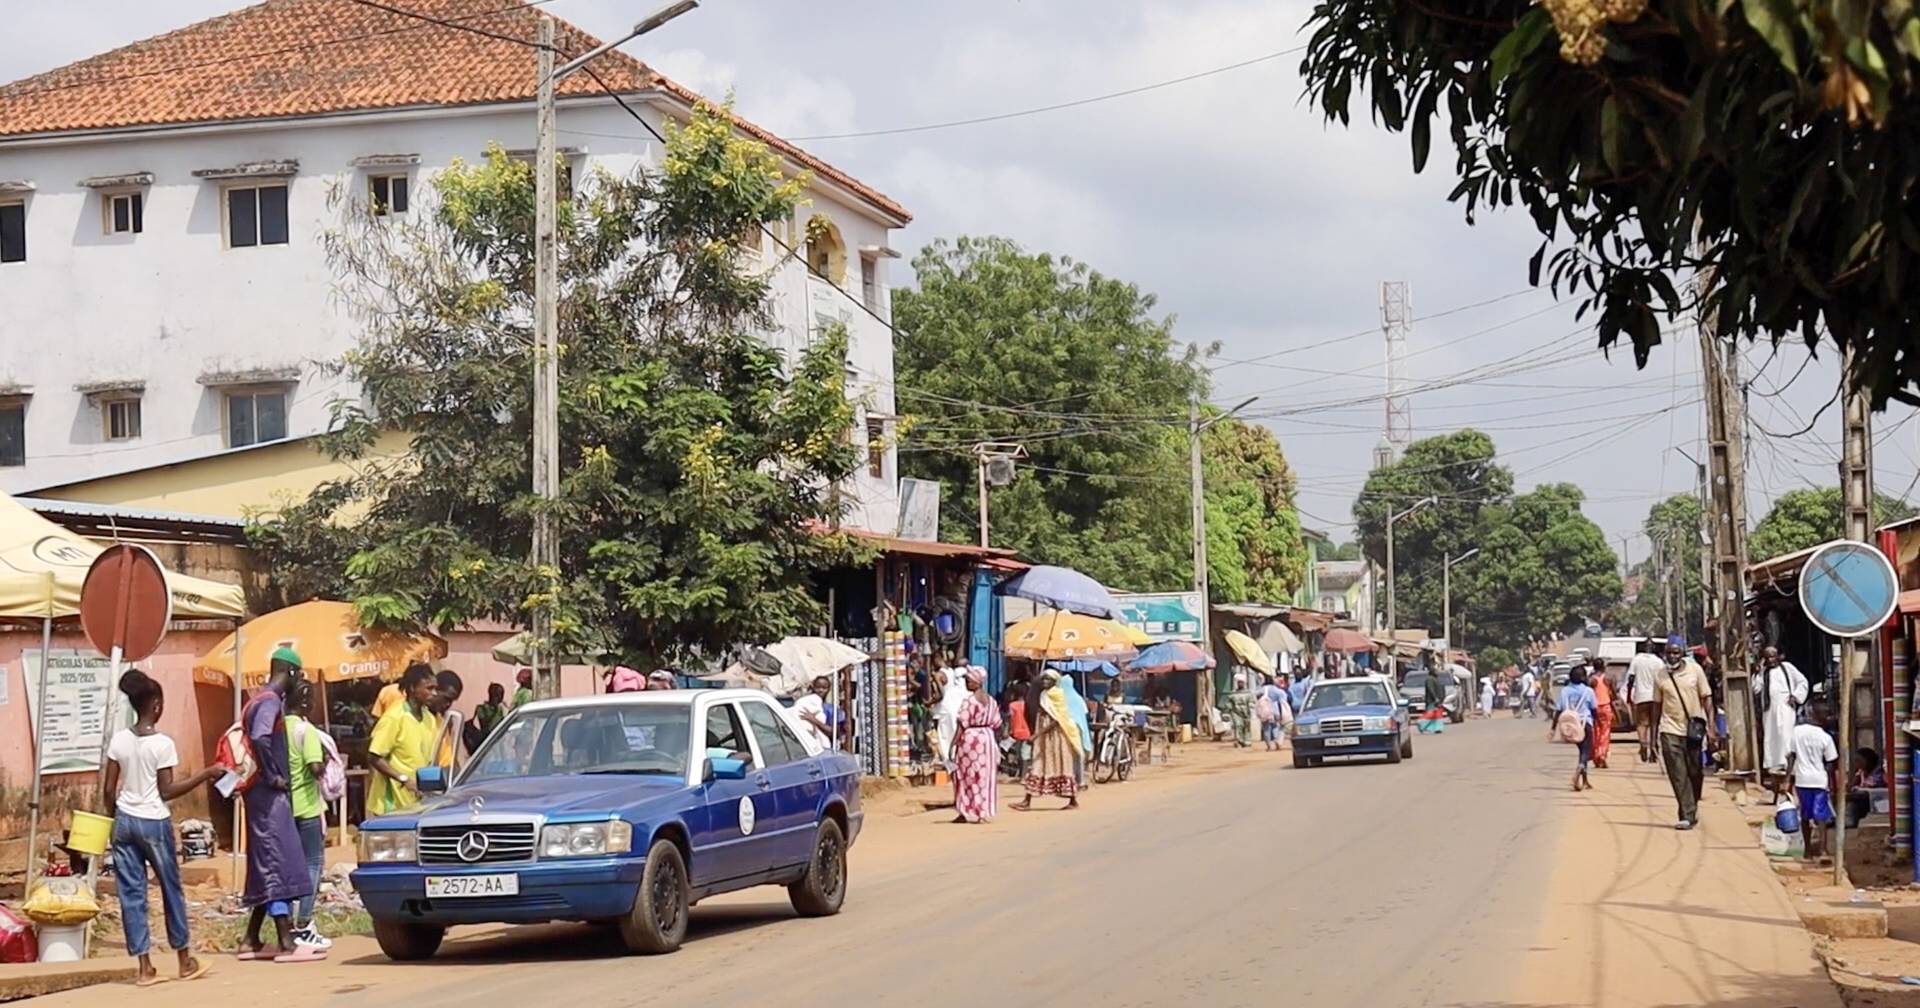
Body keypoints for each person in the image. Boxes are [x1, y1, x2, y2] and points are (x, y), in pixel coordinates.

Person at [105, 669, 220, 986]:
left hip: (124, 822)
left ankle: (144, 968)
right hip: (154, 822)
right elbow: (167, 791)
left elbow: (108, 790)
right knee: (171, 889)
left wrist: (117, 819)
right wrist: (206, 773)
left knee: (131, 895)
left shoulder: (119, 740)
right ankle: (184, 960)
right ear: (155, 705)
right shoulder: (163, 744)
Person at [239, 648, 319, 962]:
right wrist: (273, 775)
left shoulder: (257, 700)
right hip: (267, 796)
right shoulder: (270, 702)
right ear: (291, 672)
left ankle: (251, 938)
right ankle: (286, 941)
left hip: (260, 795)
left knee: (265, 862)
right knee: (277, 860)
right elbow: (260, 737)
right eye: (298, 674)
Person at [283, 678, 332, 951]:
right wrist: (325, 761)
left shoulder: (278, 729)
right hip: (309, 807)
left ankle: (289, 923)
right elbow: (314, 768)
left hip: (285, 808)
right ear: (304, 701)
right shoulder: (306, 730)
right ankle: (304, 923)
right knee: (313, 864)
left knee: (290, 866)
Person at [1656, 640, 1717, 830]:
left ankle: (1692, 805)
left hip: (1693, 730)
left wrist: (1712, 727)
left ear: (1682, 653)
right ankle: (1686, 814)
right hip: (1669, 729)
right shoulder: (1660, 675)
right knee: (1678, 774)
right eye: (1669, 653)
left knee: (1695, 771)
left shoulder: (1695, 670)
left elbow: (1706, 698)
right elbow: (1656, 706)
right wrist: (1649, 739)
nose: (1672, 657)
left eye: (1675, 653)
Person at [367, 663, 439, 816]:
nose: (434, 693)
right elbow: (374, 757)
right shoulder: (394, 717)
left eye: (435, 689)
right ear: (412, 688)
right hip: (392, 804)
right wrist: (404, 779)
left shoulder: (429, 718)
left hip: (417, 802)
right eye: (429, 688)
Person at [1013, 671, 1081, 811]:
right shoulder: (1043, 694)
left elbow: (1058, 719)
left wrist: (1037, 735)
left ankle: (1072, 799)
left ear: (1054, 681)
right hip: (1043, 735)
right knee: (1038, 764)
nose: (1044, 682)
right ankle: (1027, 800)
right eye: (1043, 679)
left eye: (1048, 680)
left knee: (1061, 764)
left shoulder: (1058, 695)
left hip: (1055, 735)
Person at [1786, 703, 1840, 860]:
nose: (1829, 718)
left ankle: (1807, 850)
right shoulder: (1826, 737)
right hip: (1819, 781)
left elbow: (1791, 757)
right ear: (1818, 716)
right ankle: (1823, 850)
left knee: (1805, 815)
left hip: (1802, 781)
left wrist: (1787, 779)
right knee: (1821, 816)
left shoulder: (1797, 732)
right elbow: (1831, 762)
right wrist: (1832, 782)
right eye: (1827, 715)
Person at [950, 668, 1002, 823]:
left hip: (971, 741)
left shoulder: (969, 701)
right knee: (985, 776)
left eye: (969, 681)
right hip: (987, 739)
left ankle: (964, 810)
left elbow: (962, 724)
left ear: (976, 682)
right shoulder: (991, 701)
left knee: (966, 775)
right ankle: (982, 812)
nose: (966, 683)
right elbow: (997, 723)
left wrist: (953, 744)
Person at [1754, 646, 1809, 779]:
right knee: (1771, 736)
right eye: (1768, 657)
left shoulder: (1787, 668)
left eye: (1773, 656)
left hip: (1785, 707)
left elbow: (1802, 681)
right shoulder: (1764, 672)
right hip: (1769, 709)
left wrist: (1795, 696)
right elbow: (1756, 688)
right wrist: (1759, 672)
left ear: (1778, 656)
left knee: (1785, 734)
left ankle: (1787, 764)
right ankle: (1773, 764)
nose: (1771, 659)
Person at [1558, 666, 1598, 792]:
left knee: (1582, 751)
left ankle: (1585, 780)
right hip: (1585, 723)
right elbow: (1594, 708)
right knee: (1586, 751)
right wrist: (1595, 722)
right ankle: (1579, 770)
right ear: (1583, 677)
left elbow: (1559, 709)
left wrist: (1553, 728)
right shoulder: (1588, 691)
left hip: (1571, 725)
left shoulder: (1565, 691)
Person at [1627, 642, 1667, 763]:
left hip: (1641, 696)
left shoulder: (1637, 660)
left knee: (1641, 723)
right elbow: (1663, 679)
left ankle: (1643, 744)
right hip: (1656, 696)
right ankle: (1653, 747)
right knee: (1654, 724)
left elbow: (1631, 678)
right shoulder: (1658, 661)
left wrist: (1629, 694)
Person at [1056, 670, 1094, 786]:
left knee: (1065, 755)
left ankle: (1066, 780)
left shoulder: (1059, 699)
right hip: (1078, 729)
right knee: (1078, 755)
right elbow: (1085, 713)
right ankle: (1080, 780)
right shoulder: (1078, 699)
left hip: (1064, 729)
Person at [934, 653, 968, 771]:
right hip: (954, 705)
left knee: (943, 734)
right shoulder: (952, 673)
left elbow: (942, 693)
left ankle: (947, 760)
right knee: (953, 732)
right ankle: (953, 758)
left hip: (945, 705)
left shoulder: (939, 674)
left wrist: (931, 701)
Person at [791, 676, 834, 751]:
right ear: (813, 687)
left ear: (828, 689)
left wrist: (813, 720)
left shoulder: (830, 709)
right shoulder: (804, 703)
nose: (821, 690)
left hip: (823, 748)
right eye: (818, 687)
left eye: (824, 688)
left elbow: (833, 732)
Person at [1848, 747, 1886, 828]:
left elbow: (1871, 786)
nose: (1857, 763)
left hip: (1876, 802)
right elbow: (1852, 786)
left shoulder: (1878, 773)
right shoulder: (1860, 772)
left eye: (1859, 761)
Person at [1589, 658, 1615, 770]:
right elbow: (1613, 693)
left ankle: (1596, 757)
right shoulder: (1608, 678)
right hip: (1606, 707)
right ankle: (1602, 754)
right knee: (1605, 732)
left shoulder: (1591, 680)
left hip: (1594, 708)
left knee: (1596, 732)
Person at [469, 682, 508, 754]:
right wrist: (497, 711)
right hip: (487, 750)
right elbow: (487, 728)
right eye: (499, 694)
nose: (501, 697)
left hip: (501, 749)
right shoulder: (481, 709)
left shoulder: (502, 709)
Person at [1005, 686, 1033, 777]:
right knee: (1025, 754)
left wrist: (1007, 730)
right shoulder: (1029, 705)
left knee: (1017, 753)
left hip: (1016, 732)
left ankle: (1019, 772)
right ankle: (1023, 775)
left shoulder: (1012, 705)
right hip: (1027, 732)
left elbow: (1010, 719)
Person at [1224, 672, 1255, 748]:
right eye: (1239, 682)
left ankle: (1247, 741)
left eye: (1241, 682)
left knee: (1246, 726)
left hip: (1246, 712)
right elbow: (1229, 703)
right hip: (1236, 712)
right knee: (1238, 725)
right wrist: (1227, 711)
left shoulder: (1248, 693)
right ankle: (1239, 740)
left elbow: (1252, 702)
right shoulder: (1233, 693)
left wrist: (1251, 709)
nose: (1240, 684)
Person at [1259, 675, 1288, 752]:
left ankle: (1268, 746)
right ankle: (1276, 741)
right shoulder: (1275, 689)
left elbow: (1255, 694)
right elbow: (1283, 696)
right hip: (1275, 710)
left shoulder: (1262, 689)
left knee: (1266, 729)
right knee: (1275, 726)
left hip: (1265, 711)